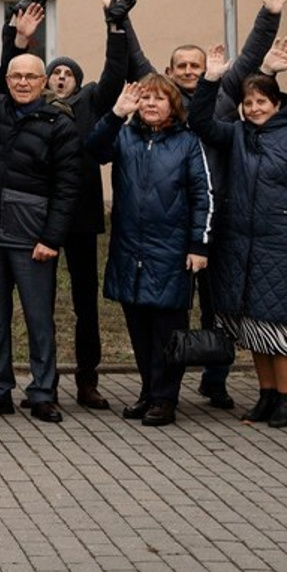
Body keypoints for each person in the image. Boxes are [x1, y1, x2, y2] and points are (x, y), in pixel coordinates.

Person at [127, 0, 287, 409]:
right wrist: (118, 17)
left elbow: (253, 58)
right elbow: (134, 57)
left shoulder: (221, 97)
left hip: (219, 223)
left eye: (194, 65)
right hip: (169, 229)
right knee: (171, 311)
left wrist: (269, 16)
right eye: (180, 65)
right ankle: (164, 389)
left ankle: (215, 380)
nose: (187, 71)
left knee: (220, 308)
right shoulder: (157, 101)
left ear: (206, 68)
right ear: (169, 69)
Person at [0, 0, 134, 411]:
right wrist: (13, 35)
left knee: (85, 306)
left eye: (66, 73)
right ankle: (45, 382)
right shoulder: (29, 109)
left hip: (82, 219)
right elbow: (5, 76)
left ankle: (88, 380)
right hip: (40, 223)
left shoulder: (93, 101)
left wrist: (115, 24)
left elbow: (116, 72)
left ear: (76, 80)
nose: (59, 78)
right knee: (41, 306)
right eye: (53, 72)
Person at [0, 50, 81, 423]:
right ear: (7, 81)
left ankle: (43, 392)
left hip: (32, 238)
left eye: (31, 77)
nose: (23, 82)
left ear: (43, 83)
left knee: (38, 318)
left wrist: (51, 238)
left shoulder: (60, 123)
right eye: (16, 76)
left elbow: (67, 187)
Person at [88, 76, 211, 426]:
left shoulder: (188, 143)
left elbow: (204, 196)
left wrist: (198, 244)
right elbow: (94, 150)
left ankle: (165, 398)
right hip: (130, 249)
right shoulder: (124, 135)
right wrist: (115, 114)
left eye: (159, 98)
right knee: (139, 328)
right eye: (145, 99)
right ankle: (148, 390)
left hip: (172, 251)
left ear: (173, 105)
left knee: (168, 331)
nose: (151, 104)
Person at [190, 40, 287, 428]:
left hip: (283, 246)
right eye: (248, 103)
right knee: (254, 326)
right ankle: (267, 396)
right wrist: (210, 81)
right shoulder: (235, 134)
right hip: (240, 245)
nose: (254, 109)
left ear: (278, 104)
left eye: (262, 102)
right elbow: (200, 122)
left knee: (281, 327)